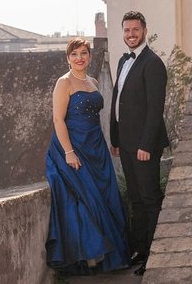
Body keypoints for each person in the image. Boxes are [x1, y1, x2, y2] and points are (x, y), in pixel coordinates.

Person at [45, 37, 129, 275]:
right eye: (74, 54)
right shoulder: (64, 83)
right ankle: (91, 256)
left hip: (95, 146)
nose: (79, 58)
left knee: (105, 195)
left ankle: (109, 254)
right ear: (67, 58)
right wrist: (69, 152)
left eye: (83, 53)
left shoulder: (92, 81)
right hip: (73, 147)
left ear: (90, 56)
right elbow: (58, 120)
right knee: (87, 197)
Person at [110, 11, 169, 276]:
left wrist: (145, 144)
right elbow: (117, 101)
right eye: (126, 30)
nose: (131, 35)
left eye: (135, 30)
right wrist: (115, 139)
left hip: (145, 146)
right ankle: (140, 250)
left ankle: (155, 255)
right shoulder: (123, 60)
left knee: (150, 199)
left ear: (144, 30)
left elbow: (155, 110)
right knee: (135, 198)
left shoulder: (153, 63)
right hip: (126, 144)